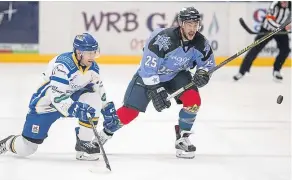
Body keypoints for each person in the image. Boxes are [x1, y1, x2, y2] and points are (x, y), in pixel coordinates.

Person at [97, 7, 216, 159]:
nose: (193, 28)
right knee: (130, 112)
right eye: (189, 24)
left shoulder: (201, 43)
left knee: (193, 100)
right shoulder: (163, 40)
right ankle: (103, 135)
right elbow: (147, 68)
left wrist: (203, 73)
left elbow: (207, 64)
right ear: (181, 24)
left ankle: (182, 137)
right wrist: (156, 89)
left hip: (176, 75)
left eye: (195, 24)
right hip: (149, 76)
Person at [0, 33, 116, 161]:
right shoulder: (62, 66)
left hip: (70, 100)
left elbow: (98, 89)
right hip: (45, 106)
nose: (93, 56)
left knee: (93, 98)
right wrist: (75, 108)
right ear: (79, 52)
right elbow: (57, 98)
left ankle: (83, 143)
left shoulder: (93, 68)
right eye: (89, 53)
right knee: (27, 148)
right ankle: (7, 143)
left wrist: (107, 108)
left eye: (94, 52)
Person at [233, 1, 291, 81]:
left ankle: (276, 70)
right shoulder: (274, 4)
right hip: (267, 29)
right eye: (282, 1)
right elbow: (269, 19)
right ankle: (241, 72)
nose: (283, 2)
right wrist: (282, 27)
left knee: (285, 50)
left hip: (281, 32)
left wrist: (288, 26)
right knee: (255, 49)